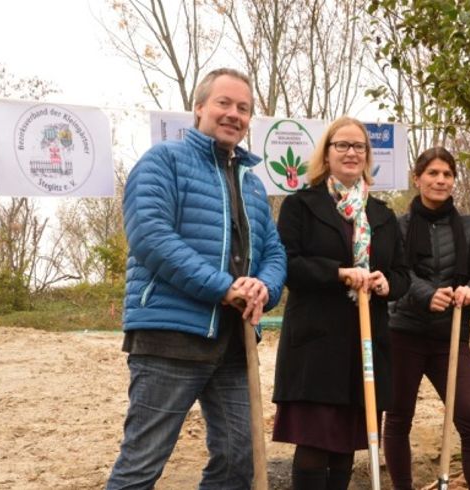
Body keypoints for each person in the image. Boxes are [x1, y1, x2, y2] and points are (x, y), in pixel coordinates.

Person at [107, 68, 287, 489]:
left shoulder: (253, 184)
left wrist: (264, 286)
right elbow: (150, 237)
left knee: (238, 460)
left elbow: (274, 252)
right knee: (142, 463)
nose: (233, 114)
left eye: (243, 108)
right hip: (171, 334)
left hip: (235, 341)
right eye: (224, 103)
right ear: (200, 107)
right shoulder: (163, 162)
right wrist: (222, 286)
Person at [272, 116, 410, 489]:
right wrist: (339, 273)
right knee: (316, 443)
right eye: (342, 145)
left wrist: (385, 282)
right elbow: (289, 264)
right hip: (317, 346)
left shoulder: (381, 214)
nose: (351, 153)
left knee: (347, 446)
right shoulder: (301, 205)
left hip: (364, 345)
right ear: (327, 153)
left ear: (368, 155)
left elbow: (402, 274)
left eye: (359, 146)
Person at [383, 147, 470, 490]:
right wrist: (427, 293)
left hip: (450, 337)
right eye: (432, 173)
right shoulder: (396, 226)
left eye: (447, 174)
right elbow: (395, 271)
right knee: (399, 419)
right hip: (404, 333)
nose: (440, 180)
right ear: (417, 179)